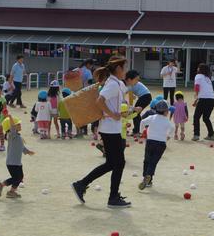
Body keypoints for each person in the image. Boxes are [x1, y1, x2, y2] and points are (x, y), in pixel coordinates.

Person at [72, 56, 132, 208]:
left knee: (114, 163)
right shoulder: (112, 84)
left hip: (113, 129)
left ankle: (83, 185)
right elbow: (100, 101)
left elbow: (122, 96)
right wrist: (112, 114)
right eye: (124, 68)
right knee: (118, 163)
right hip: (110, 129)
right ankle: (111, 197)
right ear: (118, 69)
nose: (125, 71)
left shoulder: (117, 83)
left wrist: (126, 110)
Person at [0, 114, 35, 198]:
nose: (20, 125)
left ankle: (11, 192)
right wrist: (10, 117)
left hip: (17, 162)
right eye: (18, 124)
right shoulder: (12, 135)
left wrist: (27, 151)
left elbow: (21, 147)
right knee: (16, 177)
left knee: (20, 177)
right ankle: (0, 185)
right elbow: (12, 127)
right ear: (11, 127)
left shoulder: (17, 136)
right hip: (12, 162)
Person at [138, 100, 174, 190]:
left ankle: (146, 177)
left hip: (150, 142)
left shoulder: (152, 117)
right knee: (153, 162)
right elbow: (172, 127)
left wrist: (141, 131)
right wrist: (169, 135)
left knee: (147, 160)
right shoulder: (167, 121)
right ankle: (149, 177)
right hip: (161, 144)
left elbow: (142, 122)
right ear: (166, 112)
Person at [192, 63, 214, 142]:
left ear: (200, 69)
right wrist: (197, 100)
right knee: (206, 118)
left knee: (196, 117)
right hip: (212, 99)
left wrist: (195, 97)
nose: (197, 68)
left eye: (198, 67)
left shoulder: (198, 76)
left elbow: (197, 87)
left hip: (204, 99)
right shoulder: (208, 78)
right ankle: (211, 135)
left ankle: (196, 135)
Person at [124, 70, 152, 136]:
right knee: (136, 114)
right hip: (146, 96)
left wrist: (131, 108)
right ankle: (138, 130)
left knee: (135, 114)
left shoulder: (130, 84)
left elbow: (130, 96)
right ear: (129, 79)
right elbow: (130, 95)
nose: (137, 82)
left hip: (145, 96)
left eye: (138, 80)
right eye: (136, 79)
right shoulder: (127, 84)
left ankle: (137, 131)